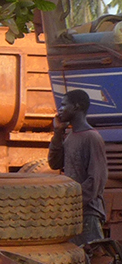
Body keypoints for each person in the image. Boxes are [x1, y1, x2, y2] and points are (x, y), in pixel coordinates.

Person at [50, 89, 109, 245]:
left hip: (88, 214)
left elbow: (96, 180)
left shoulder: (91, 138)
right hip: (74, 212)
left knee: (95, 263)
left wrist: (72, 202)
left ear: (76, 107)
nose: (60, 109)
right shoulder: (70, 137)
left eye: (64, 105)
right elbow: (54, 163)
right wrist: (58, 132)